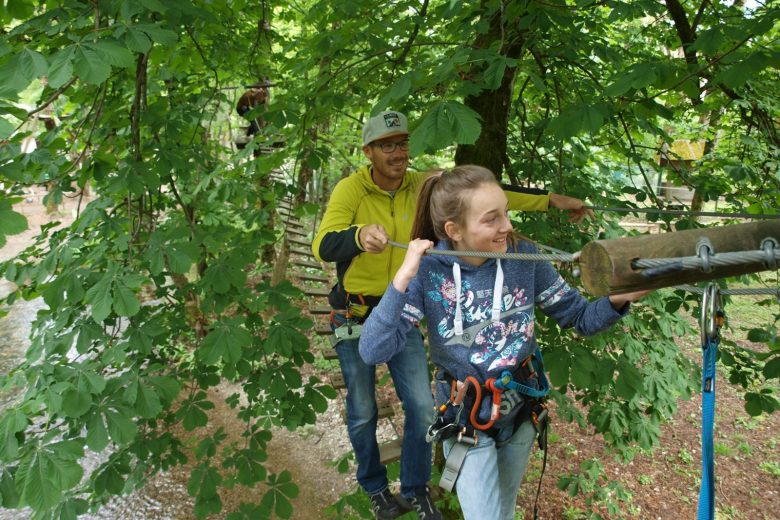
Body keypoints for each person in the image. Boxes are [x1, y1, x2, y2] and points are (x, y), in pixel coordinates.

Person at [311, 111, 593, 520]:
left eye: (403, 142)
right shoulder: (351, 190)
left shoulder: (424, 183)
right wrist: (358, 236)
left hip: (407, 309)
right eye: (387, 145)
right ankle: (374, 485)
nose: (398, 152)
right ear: (368, 151)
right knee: (363, 410)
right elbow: (324, 243)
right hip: (359, 311)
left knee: (423, 408)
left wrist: (552, 200)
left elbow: (490, 198)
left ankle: (414, 487)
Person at [357, 165, 649, 520]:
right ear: (454, 230)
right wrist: (403, 276)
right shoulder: (429, 272)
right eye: (492, 219)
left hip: (519, 411)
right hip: (465, 419)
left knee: (504, 513)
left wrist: (623, 298)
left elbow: (579, 318)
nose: (507, 226)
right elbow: (373, 349)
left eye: (506, 212)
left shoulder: (523, 258)